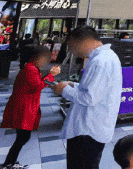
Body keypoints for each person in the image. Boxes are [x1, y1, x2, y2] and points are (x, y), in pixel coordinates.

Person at [49, 26, 123, 169]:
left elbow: (89, 98)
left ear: (84, 41)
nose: (72, 52)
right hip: (91, 128)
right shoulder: (106, 57)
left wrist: (64, 90)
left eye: (72, 47)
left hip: (88, 130)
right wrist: (72, 85)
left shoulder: (100, 61)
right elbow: (96, 89)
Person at [0, 46, 61, 168]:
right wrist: (51, 75)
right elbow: (37, 86)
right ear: (37, 57)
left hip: (25, 106)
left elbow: (37, 84)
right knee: (22, 137)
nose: (46, 61)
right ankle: (9, 163)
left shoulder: (31, 68)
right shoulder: (31, 69)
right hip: (24, 108)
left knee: (22, 137)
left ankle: (10, 162)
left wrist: (48, 78)